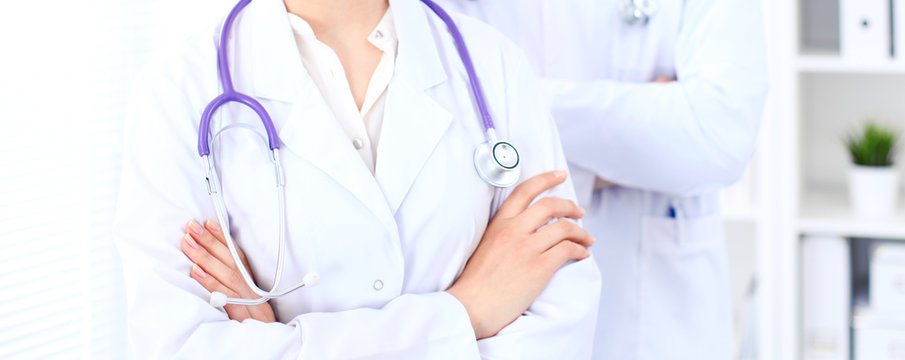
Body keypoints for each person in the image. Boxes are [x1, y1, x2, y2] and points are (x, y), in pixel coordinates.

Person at [113, 0, 601, 358]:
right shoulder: (178, 90)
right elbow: (178, 346)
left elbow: (561, 325)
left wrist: (280, 343)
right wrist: (466, 314)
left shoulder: (494, 66)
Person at [435, 0, 768, 358]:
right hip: (497, 326)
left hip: (658, 325)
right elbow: (430, 144)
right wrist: (634, 129)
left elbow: (718, 136)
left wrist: (508, 105)